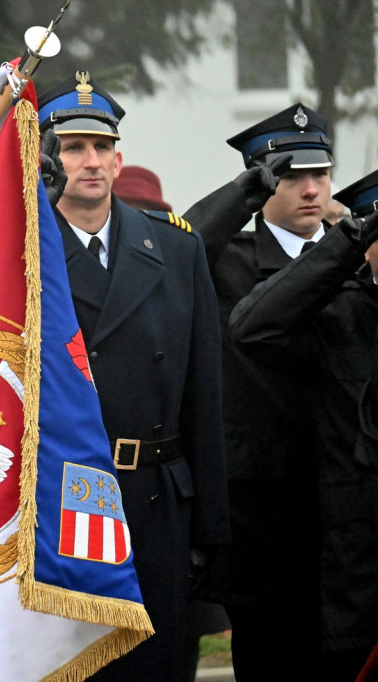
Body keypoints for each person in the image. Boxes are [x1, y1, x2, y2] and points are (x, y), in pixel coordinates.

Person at [36, 71, 228, 681]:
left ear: (119, 160)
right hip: (65, 502)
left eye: (101, 147)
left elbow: (205, 397)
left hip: (158, 502)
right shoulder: (23, 253)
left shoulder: (176, 251)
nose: (89, 161)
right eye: (72, 147)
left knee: (160, 666)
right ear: (48, 157)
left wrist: (209, 531)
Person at [181, 103, 337, 679]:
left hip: (342, 494)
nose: (309, 189)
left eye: (319, 175)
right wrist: (241, 193)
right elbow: (182, 247)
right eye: (291, 176)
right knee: (272, 658)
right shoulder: (232, 263)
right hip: (263, 512)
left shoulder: (350, 252)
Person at [227, 170, 378, 680]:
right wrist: (346, 242)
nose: (311, 188)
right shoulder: (339, 310)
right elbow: (251, 328)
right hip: (351, 570)